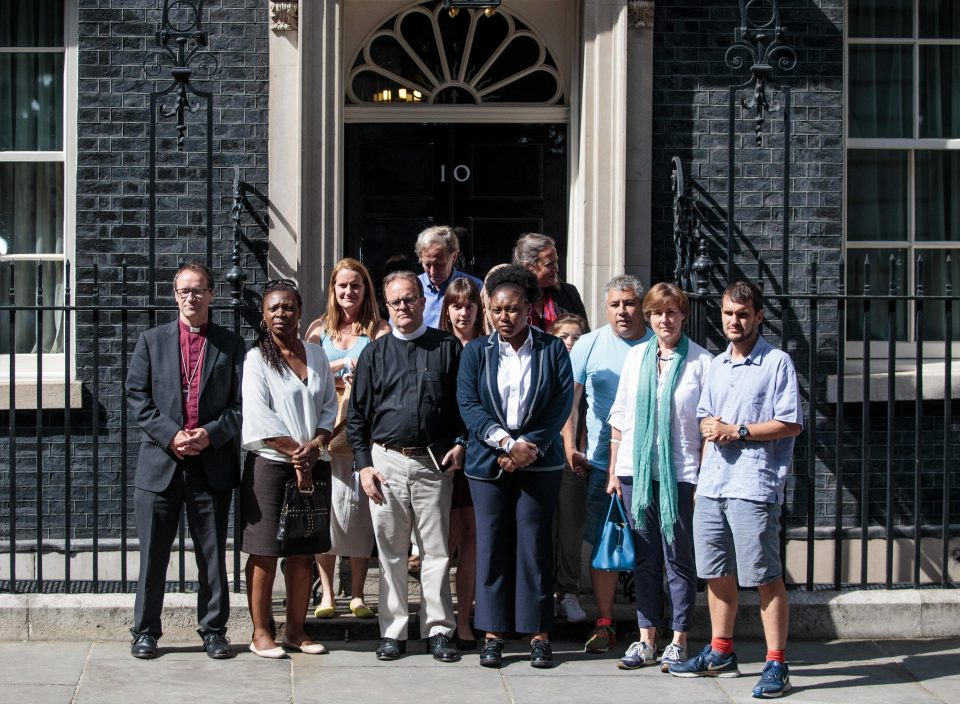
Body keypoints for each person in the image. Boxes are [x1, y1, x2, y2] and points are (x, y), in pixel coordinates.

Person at [669, 280, 802, 700]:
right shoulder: (717, 365)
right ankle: (721, 652)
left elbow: (791, 423)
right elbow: (706, 421)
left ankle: (776, 664)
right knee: (714, 573)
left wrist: (737, 430)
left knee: (764, 577)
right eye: (728, 313)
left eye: (742, 314)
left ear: (758, 317)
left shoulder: (777, 362)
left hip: (753, 484)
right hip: (713, 485)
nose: (734, 321)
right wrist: (704, 471)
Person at [457, 265, 574, 670]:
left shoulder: (552, 349)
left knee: (534, 545)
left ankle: (538, 633)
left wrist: (530, 446)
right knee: (492, 546)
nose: (503, 317)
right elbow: (469, 405)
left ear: (529, 309)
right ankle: (493, 633)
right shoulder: (476, 352)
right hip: (487, 461)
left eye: (512, 309)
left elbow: (560, 403)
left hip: (539, 463)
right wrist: (507, 443)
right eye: (497, 309)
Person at [126, 262, 245, 660]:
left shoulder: (231, 344)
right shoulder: (151, 341)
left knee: (212, 556)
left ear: (211, 294)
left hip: (210, 464)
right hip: (160, 464)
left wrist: (209, 434)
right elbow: (136, 399)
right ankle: (145, 632)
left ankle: (213, 631)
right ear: (175, 296)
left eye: (198, 290)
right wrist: (170, 435)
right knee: (153, 556)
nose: (191, 298)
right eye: (183, 291)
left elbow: (240, 406)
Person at [347, 270, 466, 663]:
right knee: (391, 553)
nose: (403, 307)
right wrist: (363, 467)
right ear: (386, 305)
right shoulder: (374, 354)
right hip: (386, 464)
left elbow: (465, 406)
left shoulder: (447, 347)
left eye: (410, 299)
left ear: (422, 300)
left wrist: (462, 444)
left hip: (433, 464)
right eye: (395, 301)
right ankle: (393, 632)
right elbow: (357, 418)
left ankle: (438, 631)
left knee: (436, 553)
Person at [606, 283, 713, 671]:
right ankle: (646, 637)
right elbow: (619, 417)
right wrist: (614, 471)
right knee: (645, 560)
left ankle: (680, 638)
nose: (663, 320)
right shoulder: (636, 358)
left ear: (683, 315)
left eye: (671, 312)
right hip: (636, 470)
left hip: (681, 474)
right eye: (656, 313)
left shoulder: (703, 362)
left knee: (678, 559)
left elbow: (706, 426)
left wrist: (703, 480)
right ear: (648, 318)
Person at [240, 279, 338, 659]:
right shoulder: (256, 359)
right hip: (272, 466)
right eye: (273, 309)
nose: (281, 314)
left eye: (288, 307)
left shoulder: (316, 355)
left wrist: (316, 446)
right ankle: (261, 632)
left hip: (314, 464)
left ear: (300, 311)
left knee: (303, 552)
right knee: (265, 552)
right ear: (264, 316)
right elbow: (259, 418)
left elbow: (330, 405)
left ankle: (296, 631)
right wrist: (300, 453)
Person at [560, 274, 652, 654]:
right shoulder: (589, 344)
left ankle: (651, 623)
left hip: (651, 462)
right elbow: (570, 399)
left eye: (629, 304)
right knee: (605, 543)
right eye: (615, 305)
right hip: (603, 462)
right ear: (605, 308)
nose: (622, 312)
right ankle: (604, 621)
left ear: (641, 306)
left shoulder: (656, 342)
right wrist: (569, 445)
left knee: (649, 543)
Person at [305, 259, 390, 621]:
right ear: (333, 289)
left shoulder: (380, 329)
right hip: (324, 430)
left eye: (355, 285)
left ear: (365, 289)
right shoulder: (316, 330)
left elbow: (388, 375)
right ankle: (326, 593)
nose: (348, 292)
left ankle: (356, 593)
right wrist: (340, 368)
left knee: (357, 514)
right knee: (326, 513)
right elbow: (305, 373)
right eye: (342, 286)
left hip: (361, 433)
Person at [438, 277, 484, 649]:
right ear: (447, 309)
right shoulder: (439, 348)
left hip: (480, 455)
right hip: (444, 458)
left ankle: (465, 619)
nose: (463, 311)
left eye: (469, 305)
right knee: (443, 541)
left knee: (471, 540)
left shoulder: (489, 348)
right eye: (456, 305)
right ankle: (440, 618)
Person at [547, 313, 590, 624]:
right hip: (548, 458)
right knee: (545, 528)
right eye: (564, 336)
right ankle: (546, 591)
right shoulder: (546, 370)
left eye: (576, 337)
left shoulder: (588, 376)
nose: (571, 342)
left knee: (571, 529)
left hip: (577, 460)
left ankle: (569, 591)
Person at [512, 232, 588, 330]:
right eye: (549, 264)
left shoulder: (569, 293)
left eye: (556, 262)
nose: (556, 269)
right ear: (529, 267)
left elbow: (585, 334)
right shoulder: (512, 297)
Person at [415, 225, 483, 328]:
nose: (433, 271)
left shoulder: (475, 286)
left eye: (439, 264)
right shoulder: (413, 287)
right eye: (427, 265)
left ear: (454, 257)